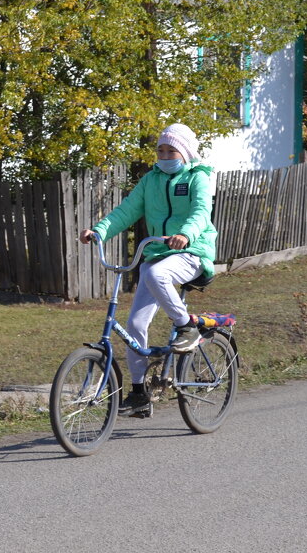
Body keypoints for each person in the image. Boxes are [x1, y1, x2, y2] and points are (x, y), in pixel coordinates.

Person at [79, 122, 217, 418]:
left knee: (154, 274)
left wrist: (187, 235)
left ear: (185, 152)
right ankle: (139, 393)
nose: (165, 155)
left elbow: (200, 213)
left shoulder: (198, 178)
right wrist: (100, 231)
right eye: (161, 150)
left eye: (172, 150)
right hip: (158, 252)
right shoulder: (150, 181)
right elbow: (127, 211)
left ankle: (186, 326)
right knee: (135, 326)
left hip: (192, 251)